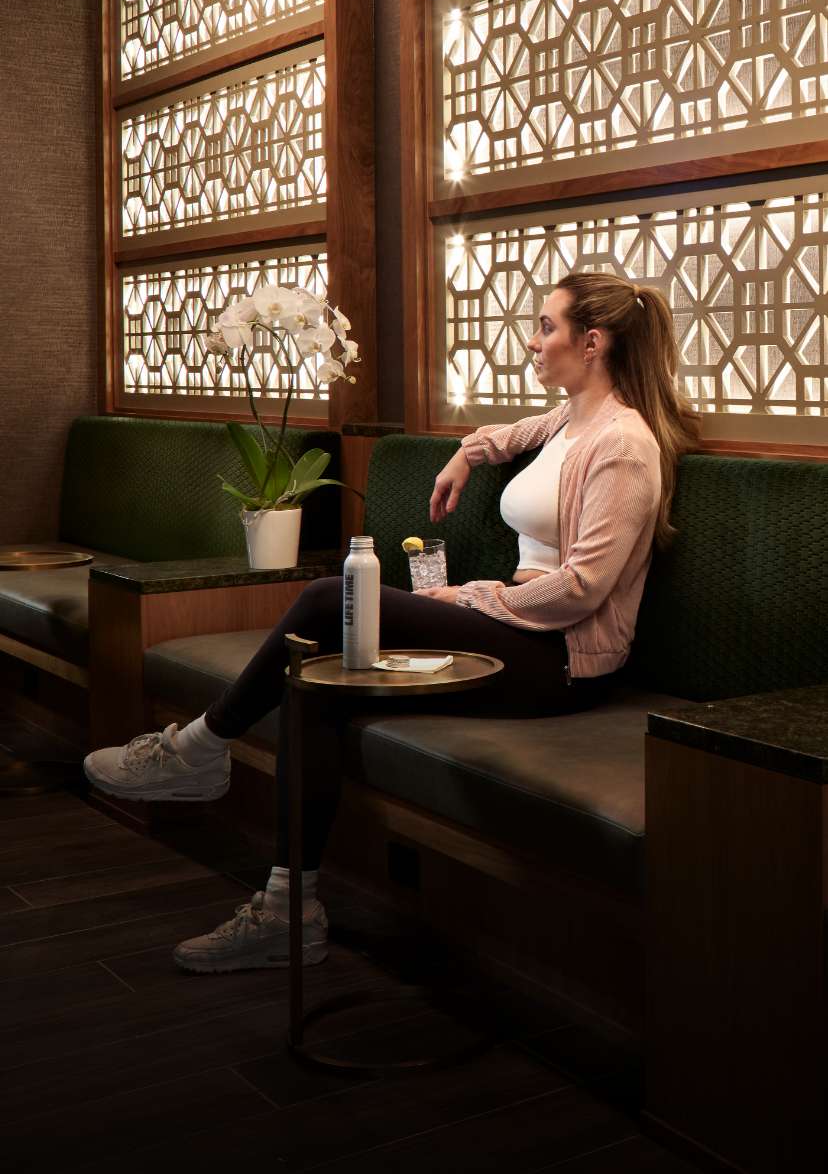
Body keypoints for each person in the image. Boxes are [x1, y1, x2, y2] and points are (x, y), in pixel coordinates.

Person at [83, 273, 700, 973]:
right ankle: (289, 910)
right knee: (316, 682)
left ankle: (198, 745)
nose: (532, 341)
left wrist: (471, 597)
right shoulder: (568, 420)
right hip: (515, 628)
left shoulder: (623, 446)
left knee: (327, 600)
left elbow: (583, 590)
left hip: (559, 657)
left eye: (546, 327)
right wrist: (464, 456)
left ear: (592, 343)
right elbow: (504, 437)